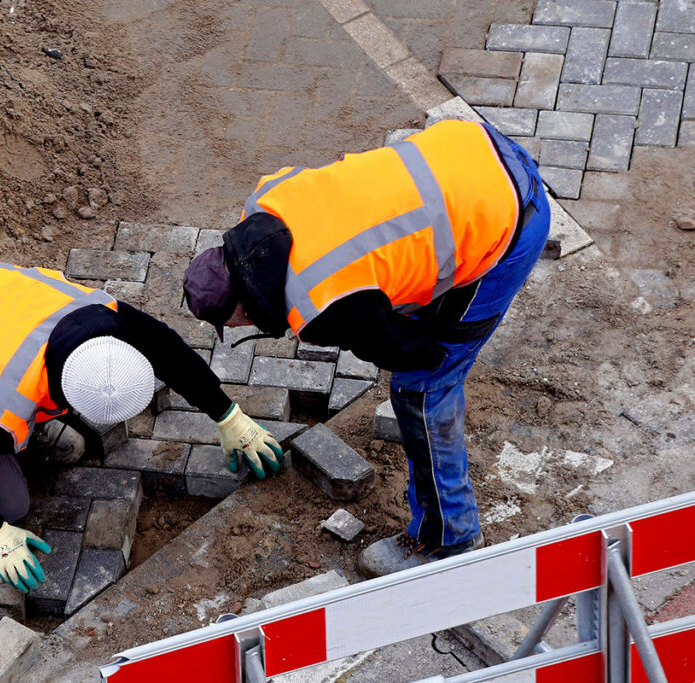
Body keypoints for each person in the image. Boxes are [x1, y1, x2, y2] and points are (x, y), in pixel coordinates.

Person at [182, 120, 551, 577]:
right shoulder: (265, 199)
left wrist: (439, 357)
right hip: (474, 149)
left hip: (508, 222)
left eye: (232, 322)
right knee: (415, 308)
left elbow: (400, 349)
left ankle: (449, 536)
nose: (239, 327)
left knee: (422, 387)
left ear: (242, 307)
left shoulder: (318, 304)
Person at [0, 253, 282, 592]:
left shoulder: (103, 317)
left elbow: (167, 349)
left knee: (67, 445)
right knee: (10, 506)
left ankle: (16, 435)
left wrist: (229, 416)